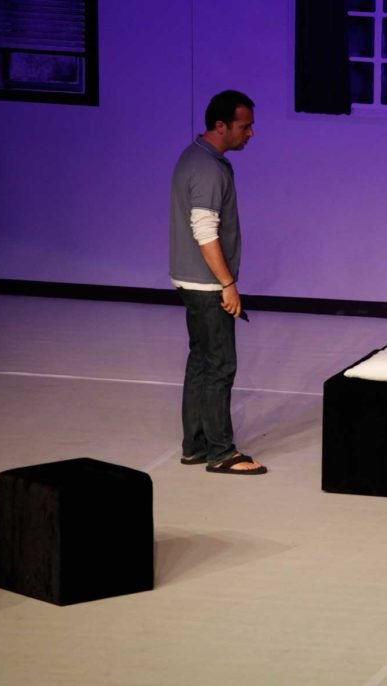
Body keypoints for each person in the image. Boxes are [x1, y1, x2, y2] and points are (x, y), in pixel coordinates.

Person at [168, 90, 266, 474]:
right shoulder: (208, 168)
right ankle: (221, 452)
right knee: (220, 365)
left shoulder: (195, 156)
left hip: (191, 280)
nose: (251, 133)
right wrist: (228, 284)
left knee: (201, 361)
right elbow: (205, 230)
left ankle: (195, 445)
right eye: (245, 126)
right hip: (208, 284)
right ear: (221, 125)